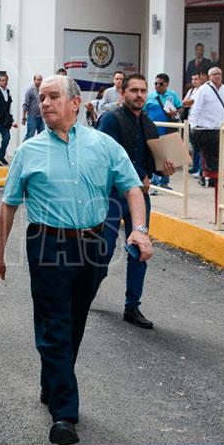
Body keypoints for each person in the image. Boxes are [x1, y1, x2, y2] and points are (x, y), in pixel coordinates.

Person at [0, 75, 150, 445]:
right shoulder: (29, 151)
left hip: (92, 245)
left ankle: (53, 380)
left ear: (75, 103)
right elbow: (8, 207)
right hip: (47, 244)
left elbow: (132, 188)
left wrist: (139, 228)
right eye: (42, 97)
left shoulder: (103, 145)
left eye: (53, 97)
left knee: (73, 322)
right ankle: (64, 414)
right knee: (55, 322)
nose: (44, 103)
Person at [97, 73, 175, 329]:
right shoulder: (111, 119)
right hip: (112, 195)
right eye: (134, 90)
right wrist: (136, 175)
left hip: (139, 199)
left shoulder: (150, 124)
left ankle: (132, 307)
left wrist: (164, 169)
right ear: (123, 93)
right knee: (103, 250)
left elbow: (154, 163)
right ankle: (85, 292)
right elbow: (103, 156)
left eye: (143, 91)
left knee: (139, 250)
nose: (139, 95)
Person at [187, 67, 224, 187]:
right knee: (206, 155)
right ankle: (204, 175)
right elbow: (197, 108)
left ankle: (215, 180)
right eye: (214, 74)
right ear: (209, 77)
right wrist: (193, 126)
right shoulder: (203, 90)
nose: (217, 76)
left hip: (220, 128)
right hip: (206, 128)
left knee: (219, 155)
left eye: (219, 74)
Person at [144, 73, 182, 191]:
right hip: (153, 130)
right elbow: (144, 111)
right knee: (155, 155)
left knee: (167, 156)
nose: (157, 86)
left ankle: (165, 181)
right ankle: (154, 182)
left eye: (160, 84)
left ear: (166, 84)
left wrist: (175, 112)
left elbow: (180, 107)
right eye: (155, 83)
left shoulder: (172, 95)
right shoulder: (149, 97)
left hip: (168, 130)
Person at [182, 71, 204, 175]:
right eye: (192, 79)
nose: (194, 81)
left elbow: (188, 102)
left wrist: (184, 103)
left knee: (200, 147)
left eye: (196, 79)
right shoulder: (191, 90)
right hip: (190, 121)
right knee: (194, 146)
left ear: (201, 79)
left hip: (200, 123)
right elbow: (185, 101)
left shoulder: (203, 90)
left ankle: (200, 169)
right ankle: (195, 167)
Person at [22, 73, 44, 138]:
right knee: (30, 135)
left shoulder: (42, 90)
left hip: (40, 117)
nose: (40, 82)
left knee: (42, 136)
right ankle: (22, 148)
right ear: (34, 80)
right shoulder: (30, 90)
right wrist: (23, 117)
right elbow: (25, 104)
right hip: (32, 117)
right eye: (38, 80)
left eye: (41, 80)